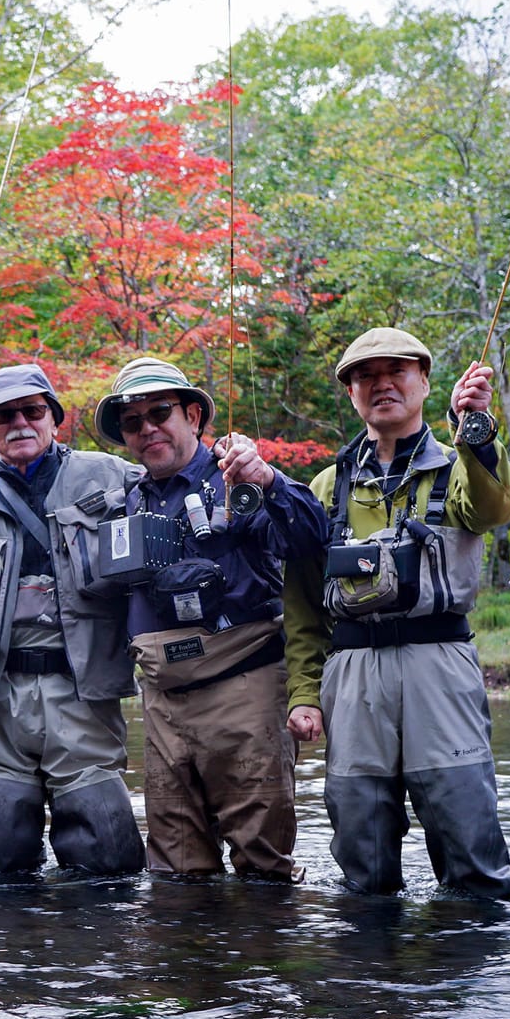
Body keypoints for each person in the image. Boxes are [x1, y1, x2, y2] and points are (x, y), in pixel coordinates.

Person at [283, 328, 510, 901]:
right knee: (359, 839)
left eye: (397, 370)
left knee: (465, 829)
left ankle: (476, 973)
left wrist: (478, 430)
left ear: (424, 382)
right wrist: (302, 693)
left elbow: (496, 509)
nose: (381, 383)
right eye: (365, 375)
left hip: (437, 663)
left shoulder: (460, 462)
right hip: (352, 672)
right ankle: (369, 978)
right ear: (350, 393)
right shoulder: (324, 486)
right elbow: (301, 605)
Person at [91, 357, 328, 878]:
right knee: (175, 869)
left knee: (262, 865)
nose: (147, 428)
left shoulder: (238, 478)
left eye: (160, 413)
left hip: (244, 692)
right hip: (162, 702)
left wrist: (269, 480)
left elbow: (314, 540)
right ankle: (193, 960)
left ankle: (264, 955)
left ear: (193, 415)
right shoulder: (125, 501)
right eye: (133, 423)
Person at [0, 364, 144, 875]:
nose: (19, 423)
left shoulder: (113, 476)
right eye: (3, 414)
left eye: (32, 411)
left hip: (83, 691)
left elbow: (174, 491)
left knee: (107, 859)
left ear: (54, 419)